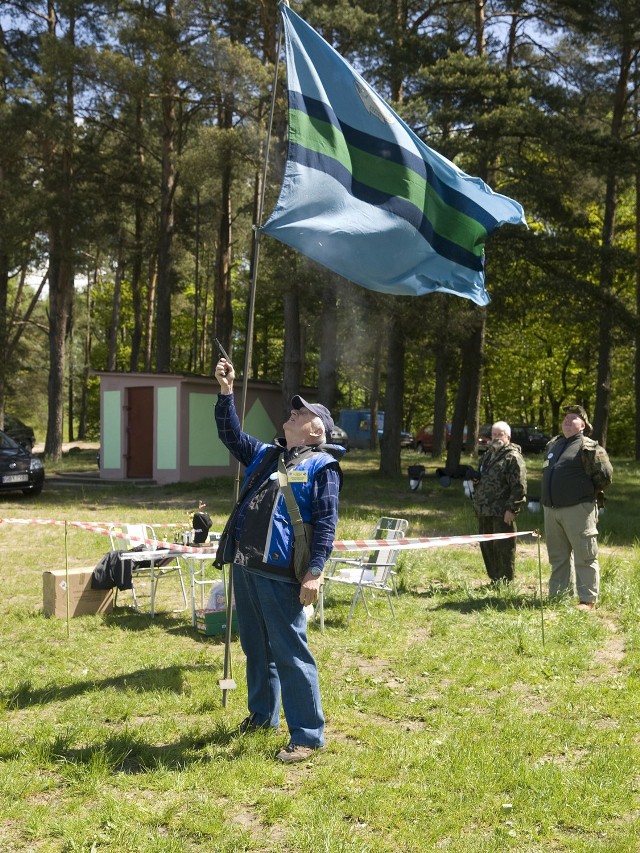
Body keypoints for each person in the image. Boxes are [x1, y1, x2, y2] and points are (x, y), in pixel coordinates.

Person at [213, 355, 345, 763]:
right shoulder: (268, 456)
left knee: (290, 651)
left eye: (300, 411)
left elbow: (326, 524)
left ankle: (307, 735)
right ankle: (261, 717)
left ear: (316, 428)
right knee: (255, 647)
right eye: (293, 408)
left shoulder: (324, 466)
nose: (291, 412)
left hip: (283, 574)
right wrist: (226, 393)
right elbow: (232, 436)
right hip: (247, 565)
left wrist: (315, 573)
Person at [541, 405, 612, 611]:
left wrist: (584, 495)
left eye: (573, 418)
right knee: (558, 556)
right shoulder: (554, 444)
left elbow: (605, 476)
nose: (566, 420)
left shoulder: (589, 447)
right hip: (551, 510)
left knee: (585, 555)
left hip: (578, 509)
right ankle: (559, 596)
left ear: (583, 425)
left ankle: (587, 600)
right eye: (565, 417)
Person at [469, 421, 527, 583]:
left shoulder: (512, 457)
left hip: (502, 512)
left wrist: (512, 509)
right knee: (487, 546)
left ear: (508, 436)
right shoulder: (488, 454)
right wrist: (476, 480)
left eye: (500, 434)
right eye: (493, 434)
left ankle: (506, 582)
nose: (496, 438)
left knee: (504, 547)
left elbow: (519, 486)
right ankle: (494, 580)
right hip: (484, 510)